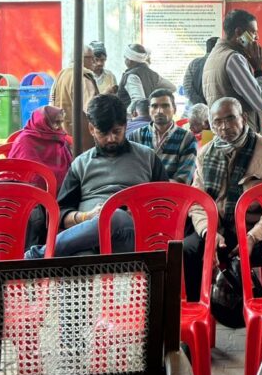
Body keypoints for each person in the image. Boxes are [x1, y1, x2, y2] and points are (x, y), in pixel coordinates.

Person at [25, 94, 167, 258]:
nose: (111, 138)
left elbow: (166, 203)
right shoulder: (80, 164)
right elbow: (61, 214)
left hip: (135, 238)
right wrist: (86, 216)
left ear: (125, 126)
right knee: (83, 259)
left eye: (117, 131)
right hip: (88, 242)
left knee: (114, 215)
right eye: (103, 133)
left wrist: (143, 210)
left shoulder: (148, 157)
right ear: (92, 129)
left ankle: (39, 255)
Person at [183, 98, 262, 301]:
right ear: (211, 125)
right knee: (187, 250)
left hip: (255, 231)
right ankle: (199, 309)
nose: (224, 127)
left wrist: (252, 237)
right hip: (218, 230)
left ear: (243, 118)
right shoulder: (205, 154)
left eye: (230, 118)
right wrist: (209, 233)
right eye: (217, 122)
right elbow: (198, 203)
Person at [202, 9, 262, 134]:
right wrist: (259, 70)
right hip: (241, 138)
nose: (257, 38)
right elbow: (261, 104)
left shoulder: (214, 55)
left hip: (225, 134)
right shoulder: (234, 59)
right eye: (253, 32)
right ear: (239, 33)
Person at [128, 89, 198, 184]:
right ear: (149, 110)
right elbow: (130, 174)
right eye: (154, 106)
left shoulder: (187, 139)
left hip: (172, 192)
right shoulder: (135, 136)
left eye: (165, 106)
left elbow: (183, 180)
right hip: (140, 191)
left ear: (174, 109)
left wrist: (152, 185)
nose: (159, 111)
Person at [7, 105, 74, 190]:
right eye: (56, 123)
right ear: (42, 122)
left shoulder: (57, 137)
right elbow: (30, 169)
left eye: (61, 123)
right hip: (30, 186)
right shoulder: (26, 139)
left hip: (55, 181)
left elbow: (66, 163)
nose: (60, 127)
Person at [50, 45, 100, 152]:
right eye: (91, 58)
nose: (94, 62)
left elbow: (51, 102)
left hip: (63, 133)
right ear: (81, 58)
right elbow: (92, 108)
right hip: (82, 137)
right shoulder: (83, 77)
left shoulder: (61, 75)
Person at [117, 43, 176, 111]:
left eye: (125, 58)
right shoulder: (153, 74)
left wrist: (127, 114)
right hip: (149, 114)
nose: (125, 60)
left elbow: (138, 101)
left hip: (135, 116)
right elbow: (172, 88)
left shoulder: (132, 76)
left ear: (130, 60)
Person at [181, 37, 218, 112]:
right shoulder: (221, 63)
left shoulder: (194, 63)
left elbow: (187, 87)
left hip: (195, 108)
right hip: (216, 108)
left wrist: (199, 103)